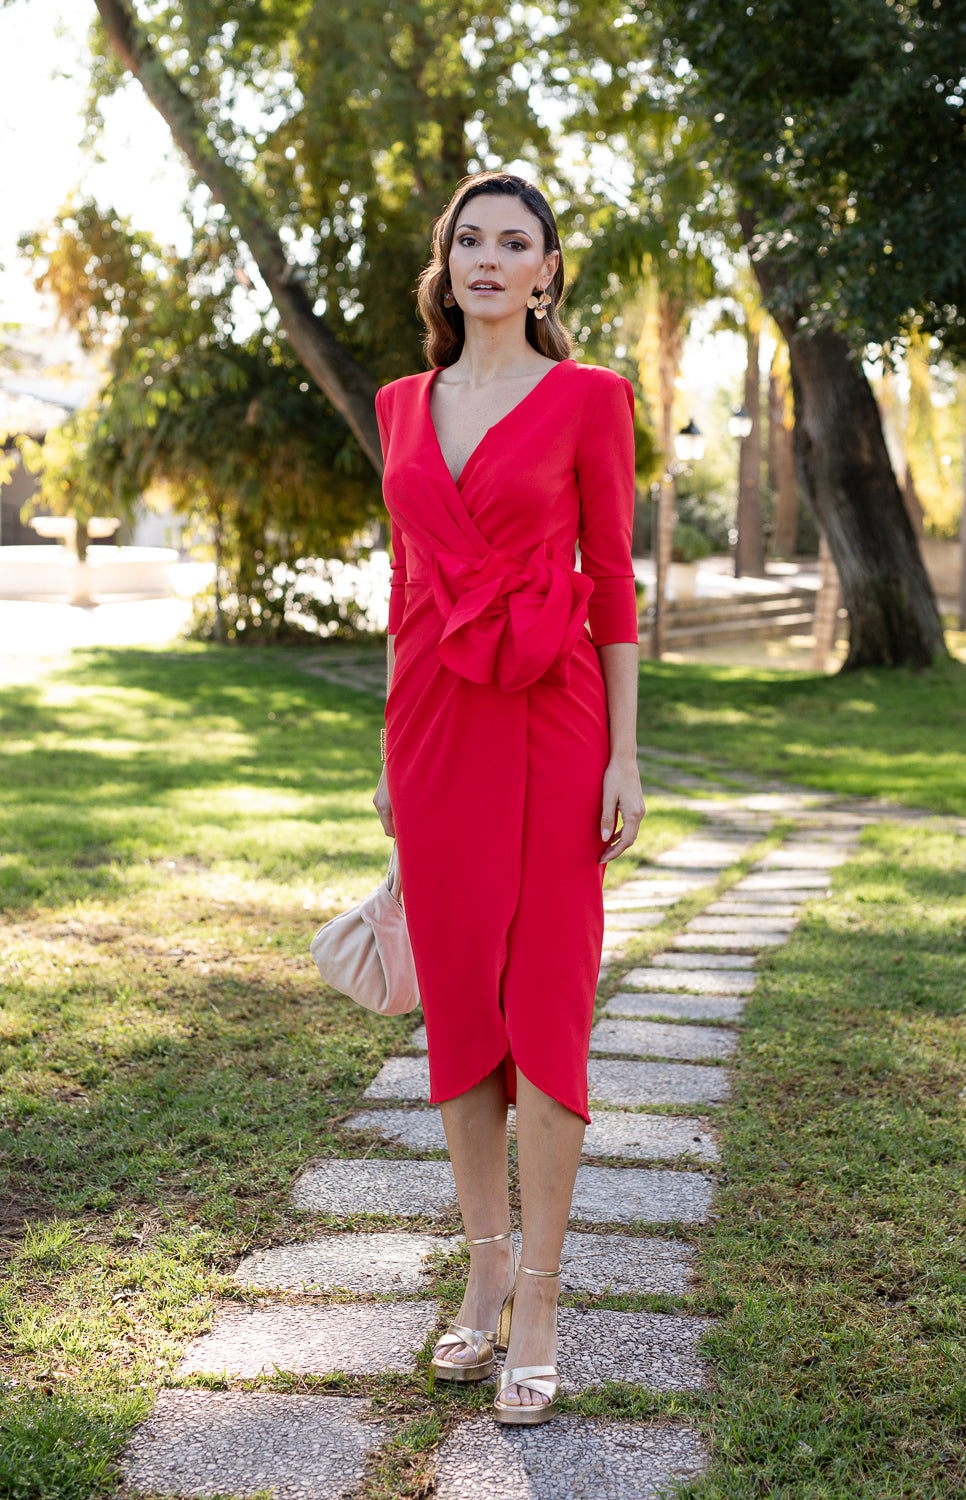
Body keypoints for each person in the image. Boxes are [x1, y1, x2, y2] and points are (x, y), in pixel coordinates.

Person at [372, 170, 644, 1426]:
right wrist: (386, 749)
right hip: (434, 724)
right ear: (449, 263)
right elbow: (405, 587)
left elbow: (611, 587)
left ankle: (540, 1292)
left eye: (515, 243)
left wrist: (625, 755)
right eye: (470, 239)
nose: (490, 258)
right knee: (459, 1010)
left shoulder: (590, 399)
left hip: (553, 716)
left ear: (547, 272)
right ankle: (483, 1266)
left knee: (544, 1003)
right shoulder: (399, 404)